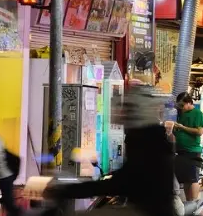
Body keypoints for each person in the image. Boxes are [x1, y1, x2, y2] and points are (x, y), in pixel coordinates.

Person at [46, 83, 177, 216]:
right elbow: (129, 176)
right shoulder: (153, 139)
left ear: (139, 111)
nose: (122, 113)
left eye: (128, 109)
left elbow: (122, 182)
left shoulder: (146, 141)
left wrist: (68, 191)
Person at [172, 93, 203, 201]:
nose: (181, 108)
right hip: (182, 150)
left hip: (192, 150)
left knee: (193, 178)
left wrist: (182, 127)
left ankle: (194, 203)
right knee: (186, 179)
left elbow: (199, 131)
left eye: (182, 105)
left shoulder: (197, 113)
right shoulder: (182, 113)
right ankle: (189, 202)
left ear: (189, 102)